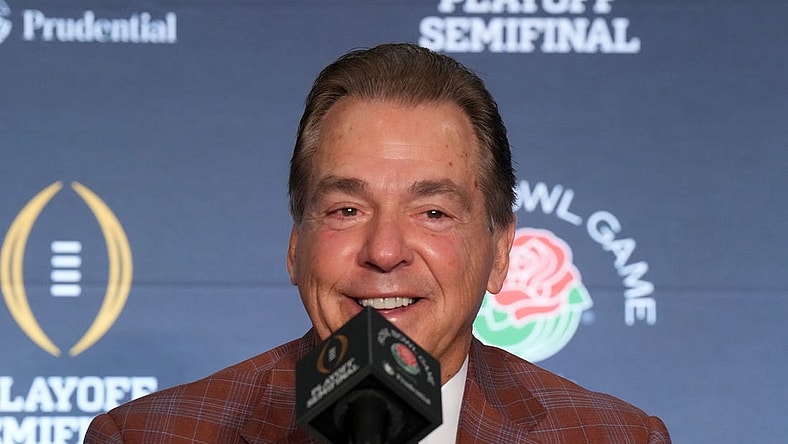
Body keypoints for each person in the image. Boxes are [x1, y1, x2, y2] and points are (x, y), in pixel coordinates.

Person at [85, 43, 671, 443]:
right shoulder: (150, 436)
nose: (385, 250)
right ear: (296, 246)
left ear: (499, 253)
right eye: (347, 209)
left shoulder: (611, 436)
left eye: (433, 212)